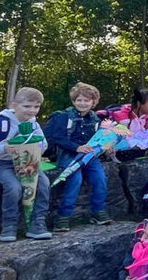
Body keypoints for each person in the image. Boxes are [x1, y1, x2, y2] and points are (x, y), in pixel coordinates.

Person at [0, 86, 52, 241]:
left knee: (44, 183)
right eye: (27, 106)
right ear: (14, 106)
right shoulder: (0, 123)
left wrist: (34, 147)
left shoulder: (34, 124)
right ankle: (9, 226)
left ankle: (37, 223)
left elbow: (44, 145)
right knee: (13, 187)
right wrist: (4, 148)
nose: (32, 110)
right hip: (1, 162)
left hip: (27, 161)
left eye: (36, 107)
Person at [46, 82, 111, 231]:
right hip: (68, 154)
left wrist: (107, 148)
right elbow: (58, 137)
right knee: (75, 178)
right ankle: (63, 216)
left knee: (100, 178)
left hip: (89, 156)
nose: (82, 103)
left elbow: (100, 139)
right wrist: (77, 148)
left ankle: (98, 211)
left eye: (86, 100)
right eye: (79, 100)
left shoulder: (96, 120)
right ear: (73, 101)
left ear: (93, 102)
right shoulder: (64, 116)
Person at [108, 89, 148, 160]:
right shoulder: (123, 117)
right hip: (122, 146)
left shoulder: (147, 118)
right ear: (139, 104)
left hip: (137, 144)